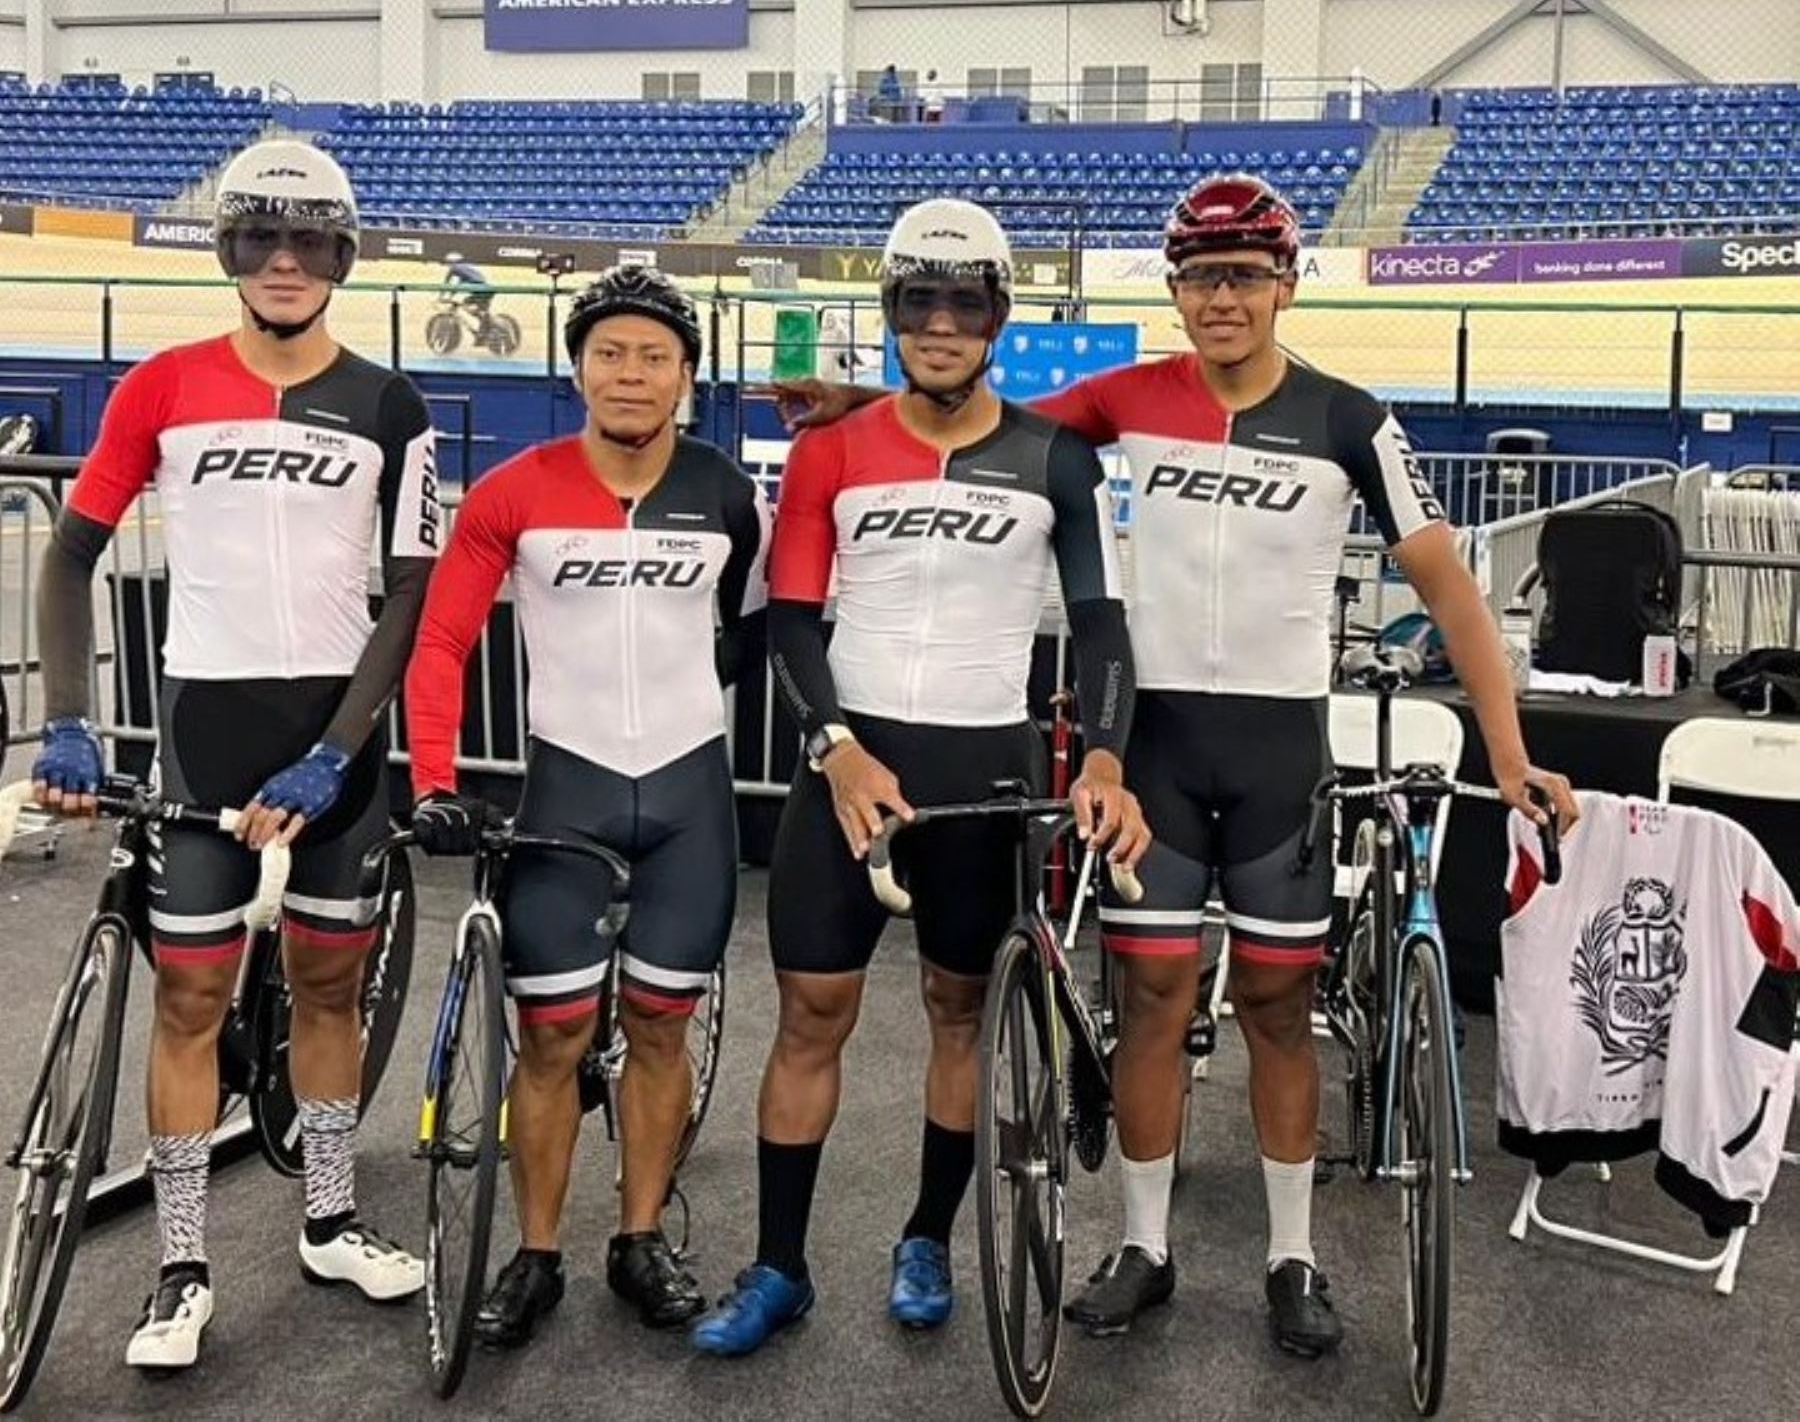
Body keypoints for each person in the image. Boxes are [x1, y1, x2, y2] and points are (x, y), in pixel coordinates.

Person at [769, 173, 1580, 1358]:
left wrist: (1512, 756)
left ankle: (1292, 1256)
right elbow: (994, 412)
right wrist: (856, 404)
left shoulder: (1353, 417)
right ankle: (1144, 1246)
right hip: (1154, 750)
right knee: (1150, 1002)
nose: (1222, 298)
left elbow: (1452, 589)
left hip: (1275, 752)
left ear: (1286, 284)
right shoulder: (1130, 397)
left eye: (1245, 275)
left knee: (1277, 1005)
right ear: (1176, 287)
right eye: (1202, 276)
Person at [690, 198, 1151, 1357]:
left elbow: (1100, 627)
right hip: (846, 771)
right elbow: (793, 624)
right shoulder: (832, 450)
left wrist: (1102, 752)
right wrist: (836, 747)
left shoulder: (1055, 458)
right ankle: (781, 1265)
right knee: (812, 1015)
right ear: (892, 312)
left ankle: (929, 1235)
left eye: (965, 302)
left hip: (982, 773)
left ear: (997, 315)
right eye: (918, 302)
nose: (940, 324)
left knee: (960, 1010)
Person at [31, 138, 438, 1371]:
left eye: (308, 239)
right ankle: (181, 1266)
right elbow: (67, 553)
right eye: (260, 236)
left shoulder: (389, 403)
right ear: (229, 252)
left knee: (325, 984)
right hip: (206, 735)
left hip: (336, 747)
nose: (282, 260)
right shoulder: (158, 385)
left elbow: (412, 587)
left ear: (340, 257)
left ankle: (327, 1215)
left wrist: (339, 747)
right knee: (192, 998)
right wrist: (67, 713)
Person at [403, 264, 771, 1345]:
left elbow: (749, 628)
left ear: (687, 375)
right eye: (609, 353)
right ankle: (536, 1250)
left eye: (654, 355)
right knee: (553, 1034)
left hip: (691, 801)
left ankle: (640, 1235)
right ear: (576, 369)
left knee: (660, 1025)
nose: (630, 373)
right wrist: (433, 776)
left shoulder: (727, 493)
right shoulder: (514, 490)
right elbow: (440, 640)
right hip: (563, 795)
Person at [442, 252, 491, 325]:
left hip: (479, 290)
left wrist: (444, 297)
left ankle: (485, 322)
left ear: (452, 262)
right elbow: (458, 285)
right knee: (480, 311)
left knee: (465, 304)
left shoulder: (455, 268)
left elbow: (448, 284)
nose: (447, 265)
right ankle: (486, 325)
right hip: (487, 289)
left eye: (448, 262)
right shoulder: (467, 268)